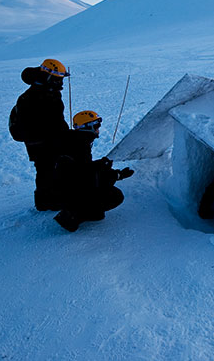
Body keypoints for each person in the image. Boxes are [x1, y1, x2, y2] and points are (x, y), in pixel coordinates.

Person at [53, 110, 134, 232]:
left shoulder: (75, 141)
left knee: (98, 192)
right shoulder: (79, 146)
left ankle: (80, 210)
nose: (98, 129)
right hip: (70, 190)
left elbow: (84, 168)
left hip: (66, 187)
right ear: (87, 127)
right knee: (115, 196)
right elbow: (88, 177)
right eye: (96, 126)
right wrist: (116, 175)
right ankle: (72, 216)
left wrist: (101, 165)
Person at [11, 58, 70, 211]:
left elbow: (58, 119)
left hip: (50, 139)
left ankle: (53, 197)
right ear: (47, 76)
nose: (60, 83)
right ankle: (44, 202)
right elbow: (40, 125)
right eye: (58, 79)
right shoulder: (32, 97)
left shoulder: (50, 92)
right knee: (45, 169)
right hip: (39, 143)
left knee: (53, 167)